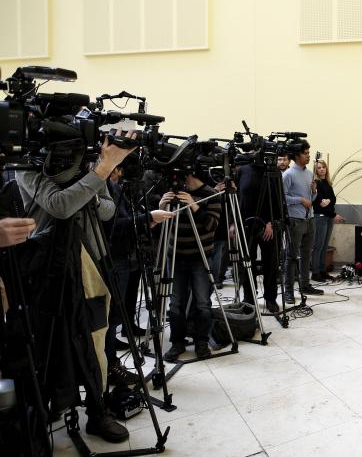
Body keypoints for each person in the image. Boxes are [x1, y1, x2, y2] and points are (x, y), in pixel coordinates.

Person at [15, 132, 136, 443]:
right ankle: (46, 406)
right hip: (47, 266)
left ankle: (98, 411)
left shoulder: (90, 164)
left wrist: (92, 187)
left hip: (92, 260)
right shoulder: (29, 165)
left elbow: (108, 210)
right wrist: (100, 172)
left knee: (97, 337)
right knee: (48, 340)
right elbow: (60, 206)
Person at [103, 165, 173, 385]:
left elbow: (129, 218)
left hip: (125, 256)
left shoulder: (115, 187)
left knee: (116, 315)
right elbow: (112, 228)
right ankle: (110, 366)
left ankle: (111, 358)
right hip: (113, 258)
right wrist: (148, 217)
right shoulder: (102, 188)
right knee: (110, 317)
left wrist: (147, 219)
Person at [159, 172, 221, 362]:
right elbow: (163, 222)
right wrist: (162, 207)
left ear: (191, 174)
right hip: (175, 257)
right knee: (175, 304)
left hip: (200, 258)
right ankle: (177, 342)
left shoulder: (211, 194)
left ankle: (201, 342)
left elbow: (211, 225)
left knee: (202, 303)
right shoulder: (175, 192)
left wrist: (194, 205)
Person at [236, 159, 283, 314]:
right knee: (246, 263)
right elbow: (237, 198)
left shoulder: (273, 171)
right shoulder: (243, 170)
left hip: (267, 225)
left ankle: (270, 298)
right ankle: (249, 297)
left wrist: (271, 222)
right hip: (246, 224)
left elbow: (277, 199)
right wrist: (233, 223)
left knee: (270, 262)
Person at [282, 141, 323, 303]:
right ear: (296, 156)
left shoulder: (309, 174)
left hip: (309, 219)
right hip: (295, 220)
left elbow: (311, 198)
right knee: (291, 256)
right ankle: (288, 291)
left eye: (308, 153)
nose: (308, 156)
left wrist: (314, 191)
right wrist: (300, 200)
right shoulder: (288, 174)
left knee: (307, 254)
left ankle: (305, 285)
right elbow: (282, 198)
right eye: (305, 153)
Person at [311, 159, 344, 281]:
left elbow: (333, 198)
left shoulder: (327, 182)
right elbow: (319, 204)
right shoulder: (316, 183)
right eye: (319, 168)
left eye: (323, 167)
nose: (321, 169)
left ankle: (322, 270)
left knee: (324, 246)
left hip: (329, 217)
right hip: (320, 217)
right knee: (318, 246)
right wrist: (334, 214)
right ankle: (315, 273)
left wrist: (329, 200)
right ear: (315, 170)